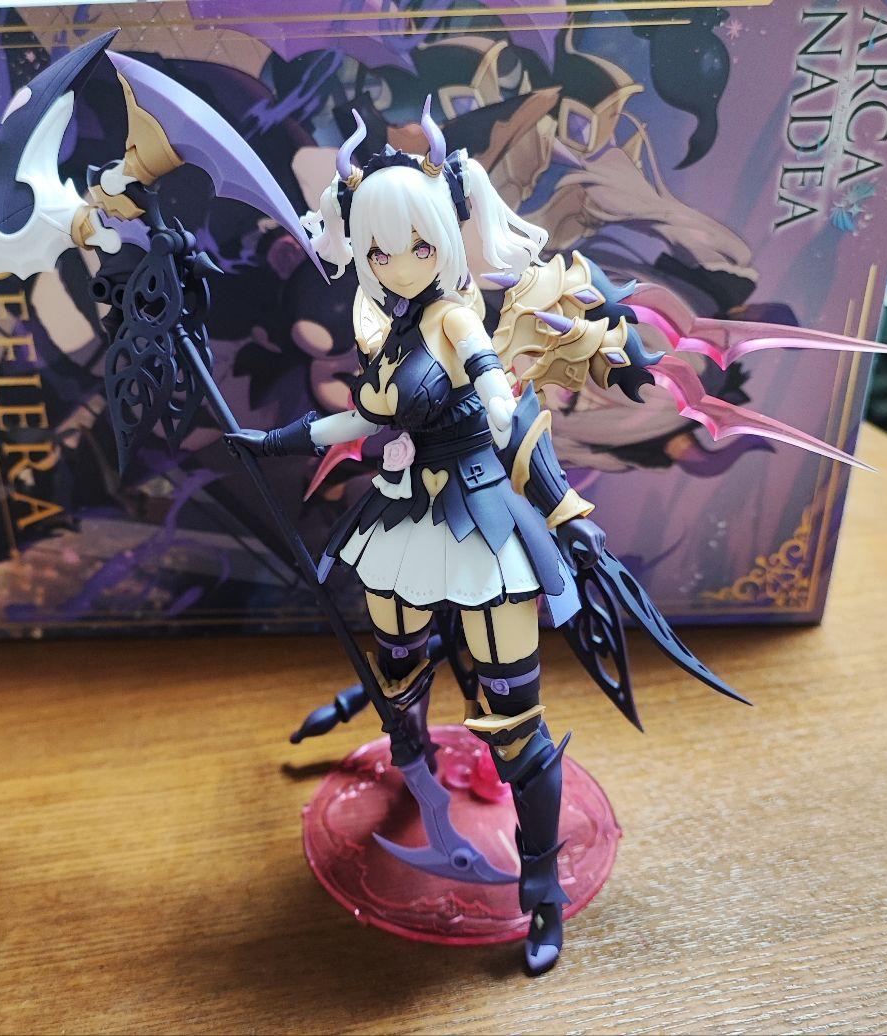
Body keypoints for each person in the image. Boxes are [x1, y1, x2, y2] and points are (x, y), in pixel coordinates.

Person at [228, 99, 621, 975]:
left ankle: (541, 890)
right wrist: (272, 442)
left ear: (441, 238)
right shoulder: (388, 330)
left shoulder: (450, 317)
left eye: (412, 247)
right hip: (406, 519)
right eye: (377, 252)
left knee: (515, 722)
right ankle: (412, 773)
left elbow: (492, 383)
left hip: (480, 526)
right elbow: (358, 425)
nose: (397, 265)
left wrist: (504, 415)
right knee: (399, 677)